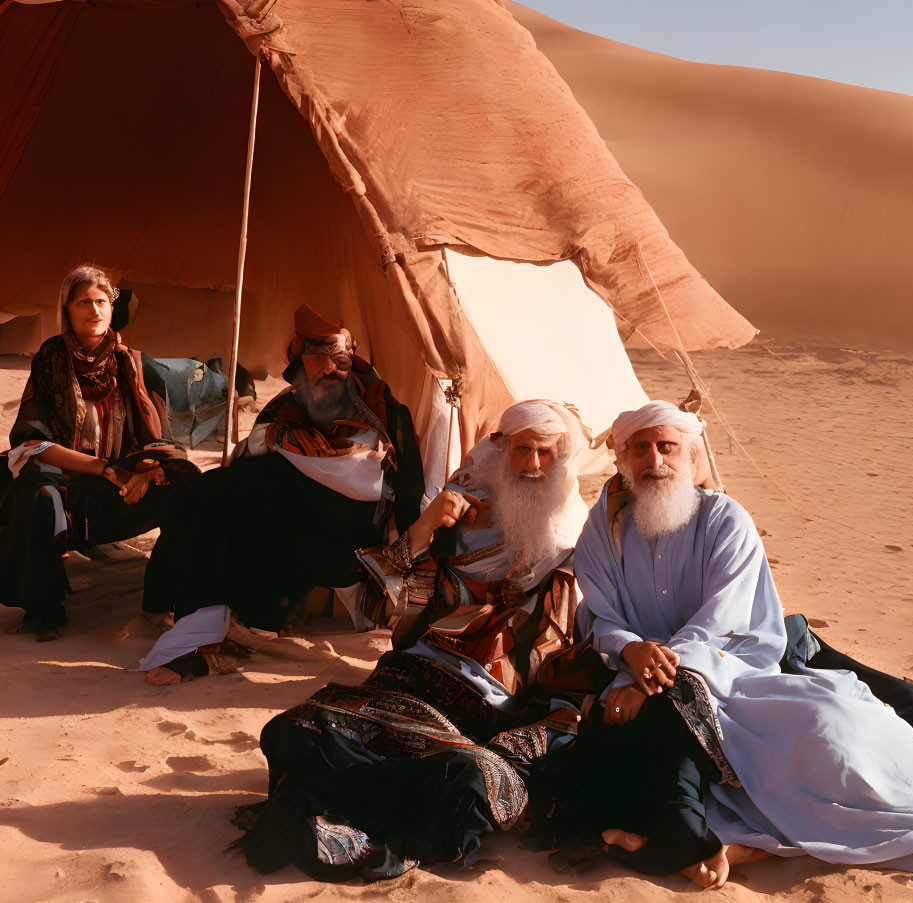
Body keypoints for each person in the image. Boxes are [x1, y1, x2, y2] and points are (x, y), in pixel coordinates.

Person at [557, 400, 913, 888]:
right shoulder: (603, 531)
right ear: (621, 461)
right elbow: (599, 613)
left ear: (691, 457)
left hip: (734, 670)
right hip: (633, 673)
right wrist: (630, 652)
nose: (655, 460)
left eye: (667, 446)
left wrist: (659, 669)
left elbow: (724, 617)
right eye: (640, 448)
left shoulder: (726, 520)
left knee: (832, 723)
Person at [231, 400, 606, 881]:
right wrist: (425, 528)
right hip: (411, 670)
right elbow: (373, 601)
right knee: (291, 732)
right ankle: (353, 802)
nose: (533, 464)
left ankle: (333, 803)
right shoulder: (460, 503)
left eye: (546, 453)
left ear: (564, 457)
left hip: (483, 700)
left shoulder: (574, 537)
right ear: (501, 448)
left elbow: (570, 650)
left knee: (466, 782)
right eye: (523, 450)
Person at [137, 304, 424, 684]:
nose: (329, 369)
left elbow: (409, 496)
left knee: (235, 494)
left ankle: (201, 628)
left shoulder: (386, 415)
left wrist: (403, 571)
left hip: (348, 543)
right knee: (211, 495)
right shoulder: (285, 407)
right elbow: (247, 462)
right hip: (283, 527)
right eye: (317, 359)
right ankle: (199, 631)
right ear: (298, 366)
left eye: (338, 359)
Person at [0, 265, 198, 641]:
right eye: (83, 303)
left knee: (187, 481)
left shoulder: (137, 364)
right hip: (66, 481)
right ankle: (45, 611)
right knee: (40, 496)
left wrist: (143, 472)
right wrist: (105, 469)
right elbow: (30, 441)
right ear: (67, 312)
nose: (94, 310)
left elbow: (163, 441)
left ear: (113, 308)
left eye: (102, 302)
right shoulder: (49, 360)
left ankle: (164, 599)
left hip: (119, 486)